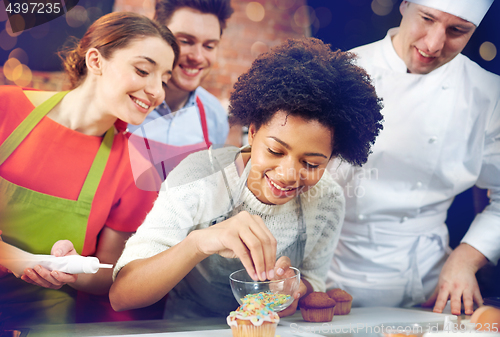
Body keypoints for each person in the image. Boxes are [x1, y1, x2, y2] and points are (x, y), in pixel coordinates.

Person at [109, 38, 384, 319]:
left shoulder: (327, 201)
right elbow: (123, 295)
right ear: (252, 132)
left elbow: (313, 280)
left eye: (311, 163)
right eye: (275, 150)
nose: (288, 174)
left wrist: (293, 289)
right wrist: (198, 243)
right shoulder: (199, 177)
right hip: (188, 326)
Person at [0, 12, 179, 327]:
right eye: (143, 70)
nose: (158, 91)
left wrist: (74, 269)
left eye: (163, 79)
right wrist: (20, 261)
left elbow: (110, 273)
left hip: (46, 321)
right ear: (96, 60)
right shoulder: (5, 108)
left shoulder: (135, 169)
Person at [326, 0, 500, 316]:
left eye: (457, 30)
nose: (433, 44)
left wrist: (465, 258)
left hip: (429, 285)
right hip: (328, 273)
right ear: (405, 5)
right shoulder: (341, 72)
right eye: (427, 18)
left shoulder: (488, 94)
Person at [127, 0, 234, 185]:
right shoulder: (124, 99)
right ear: (157, 33)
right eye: (185, 41)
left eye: (209, 46)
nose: (197, 57)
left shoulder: (215, 116)